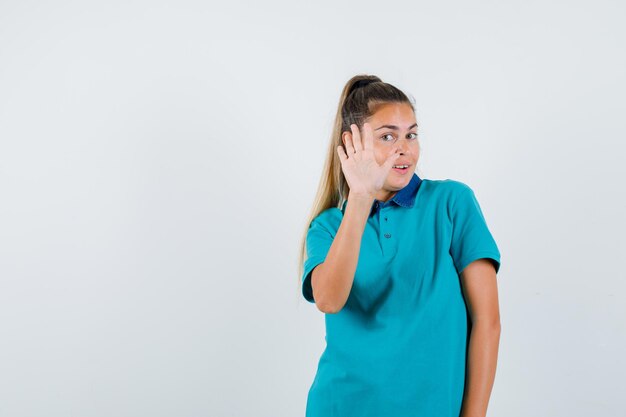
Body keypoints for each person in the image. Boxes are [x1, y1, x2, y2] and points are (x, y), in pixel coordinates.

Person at [297, 74, 502, 417]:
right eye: (387, 136)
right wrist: (361, 198)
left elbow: (488, 322)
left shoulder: (451, 203)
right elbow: (329, 300)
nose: (404, 148)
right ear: (352, 145)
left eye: (411, 134)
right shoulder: (328, 227)